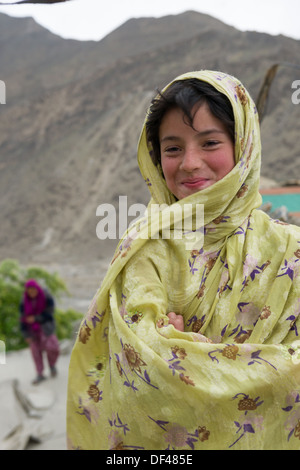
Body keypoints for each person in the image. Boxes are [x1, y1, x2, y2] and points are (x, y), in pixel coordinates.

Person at [67, 70, 300, 450]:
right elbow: (140, 366)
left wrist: (187, 349)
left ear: (243, 148)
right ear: (156, 158)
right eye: (173, 148)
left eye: (210, 143)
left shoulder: (291, 249)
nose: (190, 163)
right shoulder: (146, 248)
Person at [20, 279, 60, 385]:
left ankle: (52, 366)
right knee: (36, 353)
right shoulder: (24, 300)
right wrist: (26, 334)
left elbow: (50, 313)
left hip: (46, 327)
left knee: (53, 348)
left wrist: (36, 318)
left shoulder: (46, 296)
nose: (31, 293)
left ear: (37, 289)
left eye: (33, 290)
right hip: (32, 330)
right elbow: (23, 318)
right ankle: (40, 374)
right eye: (29, 291)